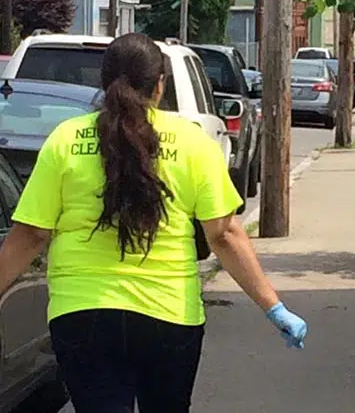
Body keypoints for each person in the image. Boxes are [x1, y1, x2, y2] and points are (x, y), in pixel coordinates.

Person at [0, 33, 307, 413]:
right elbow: (224, 234)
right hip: (169, 317)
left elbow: (31, 234)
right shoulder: (192, 143)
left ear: (103, 81)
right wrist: (272, 307)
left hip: (83, 315)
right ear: (160, 84)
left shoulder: (65, 140)